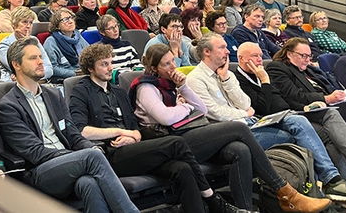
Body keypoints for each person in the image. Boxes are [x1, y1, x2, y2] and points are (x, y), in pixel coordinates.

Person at [132, 43, 332, 212]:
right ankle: (285, 192)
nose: (172, 67)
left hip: (190, 133)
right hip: (170, 143)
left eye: (173, 61)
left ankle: (244, 209)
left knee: (240, 150)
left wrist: (183, 88)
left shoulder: (172, 84)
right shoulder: (146, 87)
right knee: (239, 129)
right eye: (166, 64)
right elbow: (166, 119)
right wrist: (184, 106)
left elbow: (199, 108)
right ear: (153, 67)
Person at [69, 44, 245, 213]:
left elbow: (135, 128)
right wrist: (122, 132)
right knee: (176, 142)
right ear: (90, 68)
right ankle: (212, 199)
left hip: (133, 147)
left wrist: (133, 136)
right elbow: (81, 130)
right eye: (104, 64)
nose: (110, 68)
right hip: (109, 153)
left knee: (182, 168)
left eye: (110, 63)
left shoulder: (118, 92)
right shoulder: (81, 91)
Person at [0, 37, 140, 213]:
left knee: (89, 182)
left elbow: (72, 133)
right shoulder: (8, 106)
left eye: (40, 56)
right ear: (16, 65)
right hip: (39, 171)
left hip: (69, 164)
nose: (41, 61)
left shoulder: (53, 94)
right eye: (33, 58)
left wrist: (89, 148)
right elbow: (34, 153)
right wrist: (78, 155)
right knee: (91, 157)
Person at [236, 42, 346, 180]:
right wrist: (265, 80)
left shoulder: (261, 73)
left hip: (289, 114)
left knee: (329, 120)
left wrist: (305, 108)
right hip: (271, 120)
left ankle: (341, 182)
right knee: (325, 126)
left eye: (260, 55)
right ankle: (335, 180)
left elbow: (281, 101)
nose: (260, 59)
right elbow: (263, 107)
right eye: (255, 56)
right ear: (241, 58)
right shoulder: (241, 79)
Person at [266, 38, 346, 118]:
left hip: (330, 103)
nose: (308, 60)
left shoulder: (307, 69)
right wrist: (327, 98)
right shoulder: (278, 68)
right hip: (311, 108)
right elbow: (295, 96)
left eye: (309, 56)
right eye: (304, 56)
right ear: (289, 54)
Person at [0, 7, 53, 82]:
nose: (28, 26)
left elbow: (49, 69)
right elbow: (17, 67)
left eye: (30, 22)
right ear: (14, 24)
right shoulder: (4, 44)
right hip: (12, 85)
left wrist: (28, 77)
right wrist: (25, 43)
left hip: (37, 83)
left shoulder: (34, 40)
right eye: (24, 22)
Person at [43, 8, 89, 82]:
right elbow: (52, 67)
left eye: (71, 18)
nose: (70, 21)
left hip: (84, 74)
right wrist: (74, 74)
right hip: (66, 79)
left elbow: (91, 54)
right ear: (57, 26)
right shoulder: (51, 42)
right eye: (65, 20)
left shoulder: (78, 36)